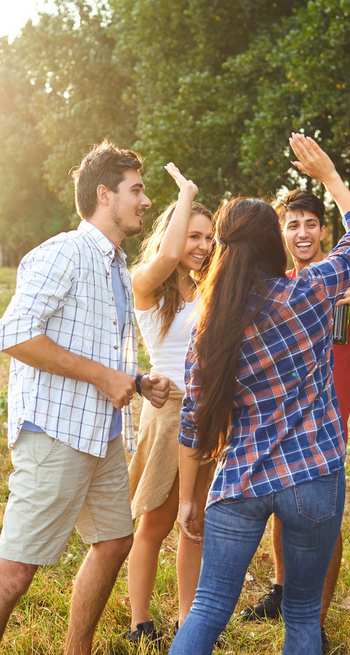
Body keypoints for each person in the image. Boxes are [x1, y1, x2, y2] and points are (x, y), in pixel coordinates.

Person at [0, 140, 171, 655]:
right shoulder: (62, 254)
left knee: (116, 541)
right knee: (15, 571)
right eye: (136, 190)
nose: (145, 201)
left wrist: (136, 381)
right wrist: (102, 376)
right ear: (105, 194)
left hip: (102, 435)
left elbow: (91, 344)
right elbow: (13, 333)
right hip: (56, 435)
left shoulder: (117, 266)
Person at [169, 133, 350, 655]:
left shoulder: (208, 327)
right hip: (312, 472)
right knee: (303, 614)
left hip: (239, 480)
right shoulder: (307, 293)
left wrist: (191, 496)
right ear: (274, 243)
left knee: (210, 607)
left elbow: (193, 422)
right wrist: (329, 176)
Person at [238, 188, 350, 647]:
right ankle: (283, 592)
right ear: (282, 233)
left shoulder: (348, 278)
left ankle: (316, 620)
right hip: (282, 425)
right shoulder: (281, 281)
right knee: (284, 514)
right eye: (292, 225)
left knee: (323, 522)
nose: (302, 233)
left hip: (327, 426)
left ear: (324, 230)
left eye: (309, 224)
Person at [126, 163, 215, 644]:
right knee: (156, 520)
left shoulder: (209, 286)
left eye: (207, 238)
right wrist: (186, 194)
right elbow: (164, 257)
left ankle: (189, 621)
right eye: (193, 236)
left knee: (195, 519)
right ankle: (140, 621)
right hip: (167, 411)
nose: (201, 246)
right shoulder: (146, 285)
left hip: (206, 410)